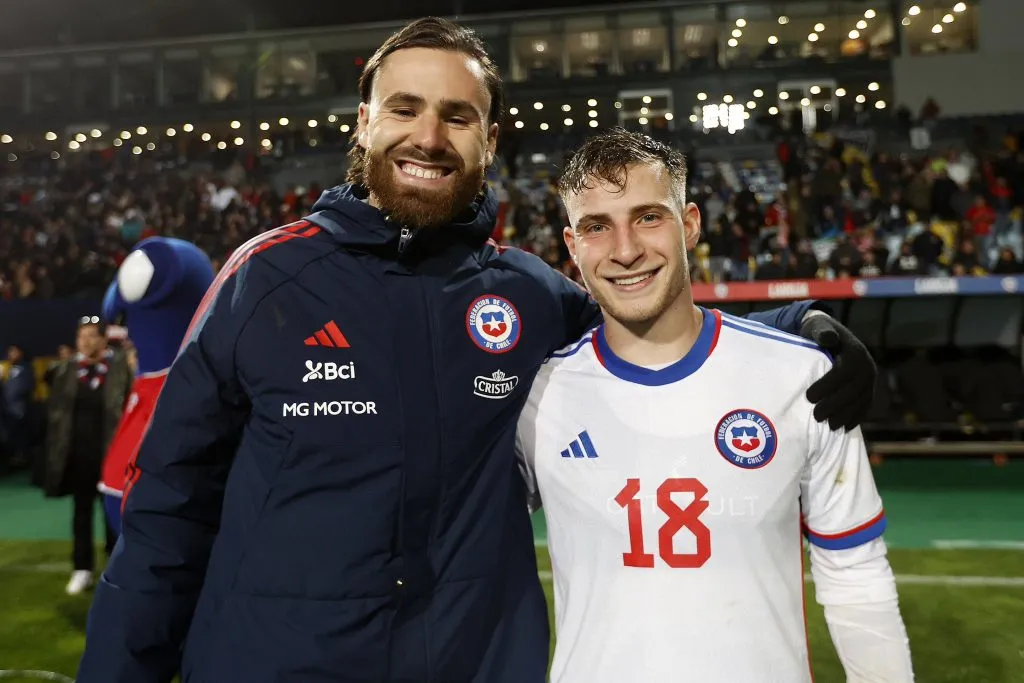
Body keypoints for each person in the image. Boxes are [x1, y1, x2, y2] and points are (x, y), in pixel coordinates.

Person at [77, 18, 878, 683]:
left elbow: (654, 325)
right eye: (405, 108)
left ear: (490, 139)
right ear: (365, 123)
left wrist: (801, 327)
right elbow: (165, 520)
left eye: (457, 116)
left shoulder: (532, 296)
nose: (429, 136)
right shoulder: (264, 281)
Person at [515, 129, 913, 683]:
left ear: (692, 224)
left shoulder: (802, 378)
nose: (626, 249)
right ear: (571, 244)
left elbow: (856, 572)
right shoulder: (538, 396)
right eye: (597, 227)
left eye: (649, 217)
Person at [44, 316, 133, 595]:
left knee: (112, 515)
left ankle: (115, 567)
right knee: (81, 514)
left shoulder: (120, 369)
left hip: (112, 455)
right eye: (82, 335)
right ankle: (81, 568)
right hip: (78, 457)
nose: (86, 340)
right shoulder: (65, 371)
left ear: (104, 339)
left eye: (92, 335)